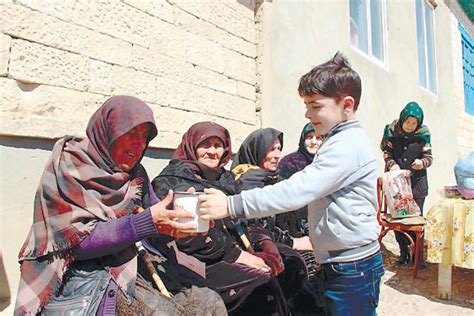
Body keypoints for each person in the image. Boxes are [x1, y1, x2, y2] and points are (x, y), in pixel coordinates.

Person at [198, 52, 384, 315]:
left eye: (315, 106)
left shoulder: (347, 146)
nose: (308, 114)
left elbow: (298, 190)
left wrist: (231, 204)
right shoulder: (338, 139)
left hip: (352, 267)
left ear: (347, 104)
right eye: (306, 105)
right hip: (339, 262)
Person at [14, 96, 226, 315]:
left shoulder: (134, 173)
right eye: (132, 133)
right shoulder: (68, 165)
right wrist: (145, 224)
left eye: (144, 137)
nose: (139, 143)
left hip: (127, 259)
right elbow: (73, 244)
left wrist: (179, 222)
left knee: (209, 301)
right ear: (108, 132)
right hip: (75, 271)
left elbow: (155, 222)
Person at [150, 122, 285, 315]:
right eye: (206, 144)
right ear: (192, 146)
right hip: (196, 259)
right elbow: (190, 237)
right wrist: (238, 256)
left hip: (232, 250)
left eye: (218, 145)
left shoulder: (226, 179)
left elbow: (247, 218)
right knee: (261, 284)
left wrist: (267, 244)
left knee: (289, 263)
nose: (213, 151)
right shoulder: (173, 181)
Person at [230, 127, 308, 306]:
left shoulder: (273, 178)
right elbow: (253, 227)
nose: (277, 155)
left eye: (279, 149)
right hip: (258, 247)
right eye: (271, 149)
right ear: (256, 149)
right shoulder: (245, 182)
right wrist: (294, 243)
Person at [380, 101, 433, 264]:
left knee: (415, 222)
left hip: (417, 184)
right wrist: (392, 165)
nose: (410, 126)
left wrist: (421, 163)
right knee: (398, 221)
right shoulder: (391, 133)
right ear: (402, 119)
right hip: (396, 186)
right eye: (408, 122)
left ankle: (418, 257)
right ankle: (404, 254)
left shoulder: (423, 136)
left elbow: (429, 158)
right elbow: (387, 153)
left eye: (414, 123)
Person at [276, 122, 324, 277]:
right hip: (295, 225)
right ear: (303, 139)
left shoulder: (326, 164)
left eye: (318, 137)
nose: (313, 142)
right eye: (309, 137)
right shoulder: (290, 162)